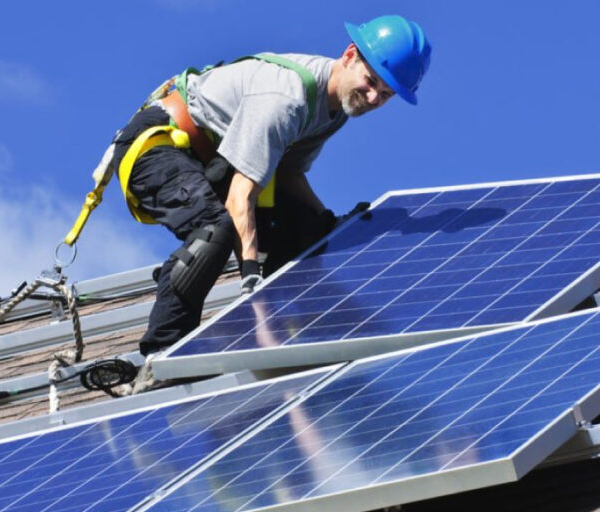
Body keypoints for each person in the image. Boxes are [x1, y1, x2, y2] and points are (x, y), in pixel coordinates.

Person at [113, 15, 432, 359]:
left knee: (311, 231)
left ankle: (296, 331)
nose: (372, 98)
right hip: (158, 145)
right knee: (213, 231)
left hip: (212, 162)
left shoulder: (335, 110)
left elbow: (290, 174)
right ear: (350, 54)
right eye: (370, 82)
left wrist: (327, 222)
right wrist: (252, 285)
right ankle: (162, 354)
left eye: (384, 95)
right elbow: (239, 200)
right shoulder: (288, 99)